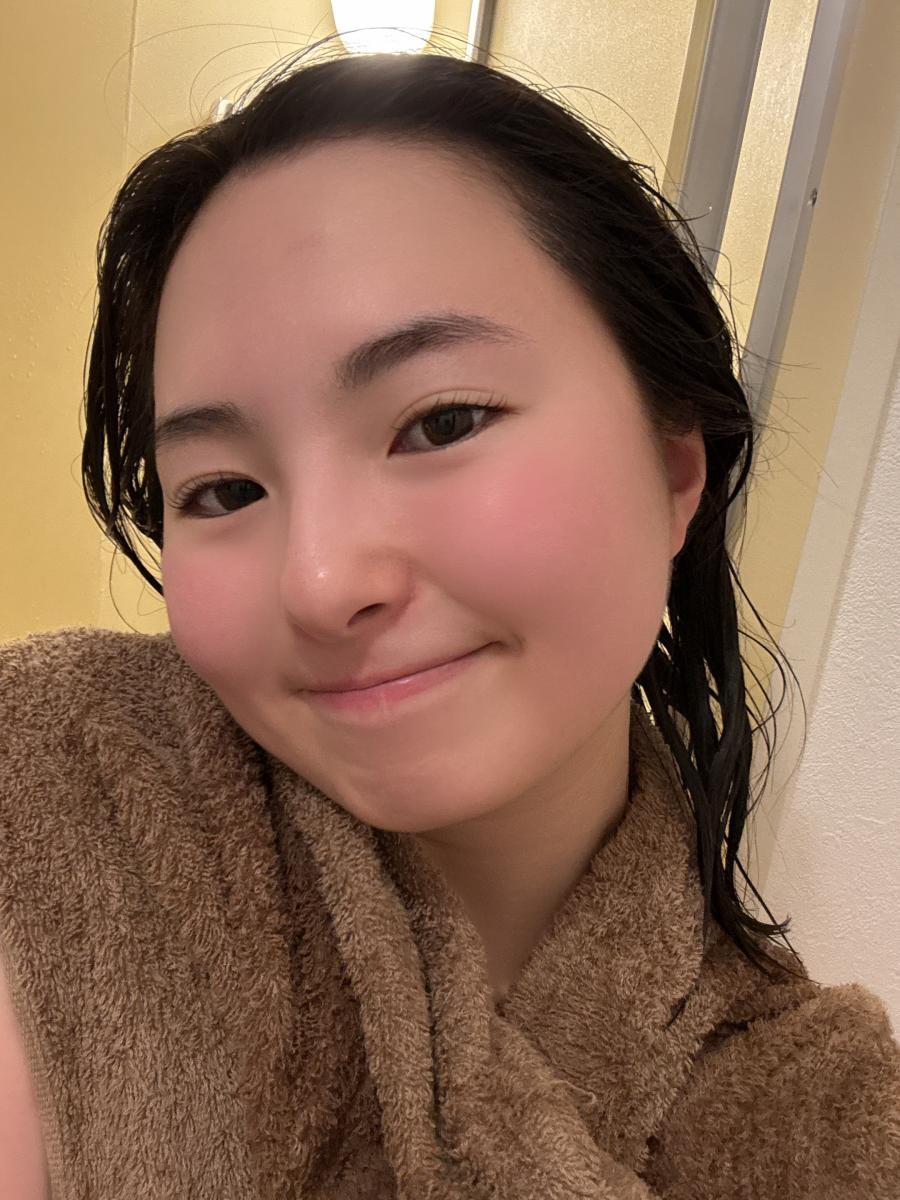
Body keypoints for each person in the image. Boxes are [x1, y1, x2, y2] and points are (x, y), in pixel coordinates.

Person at [1, 40, 898, 1200]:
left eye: (441, 423)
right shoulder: (61, 793)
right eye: (223, 491)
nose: (321, 581)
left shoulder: (831, 1123)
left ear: (678, 468)